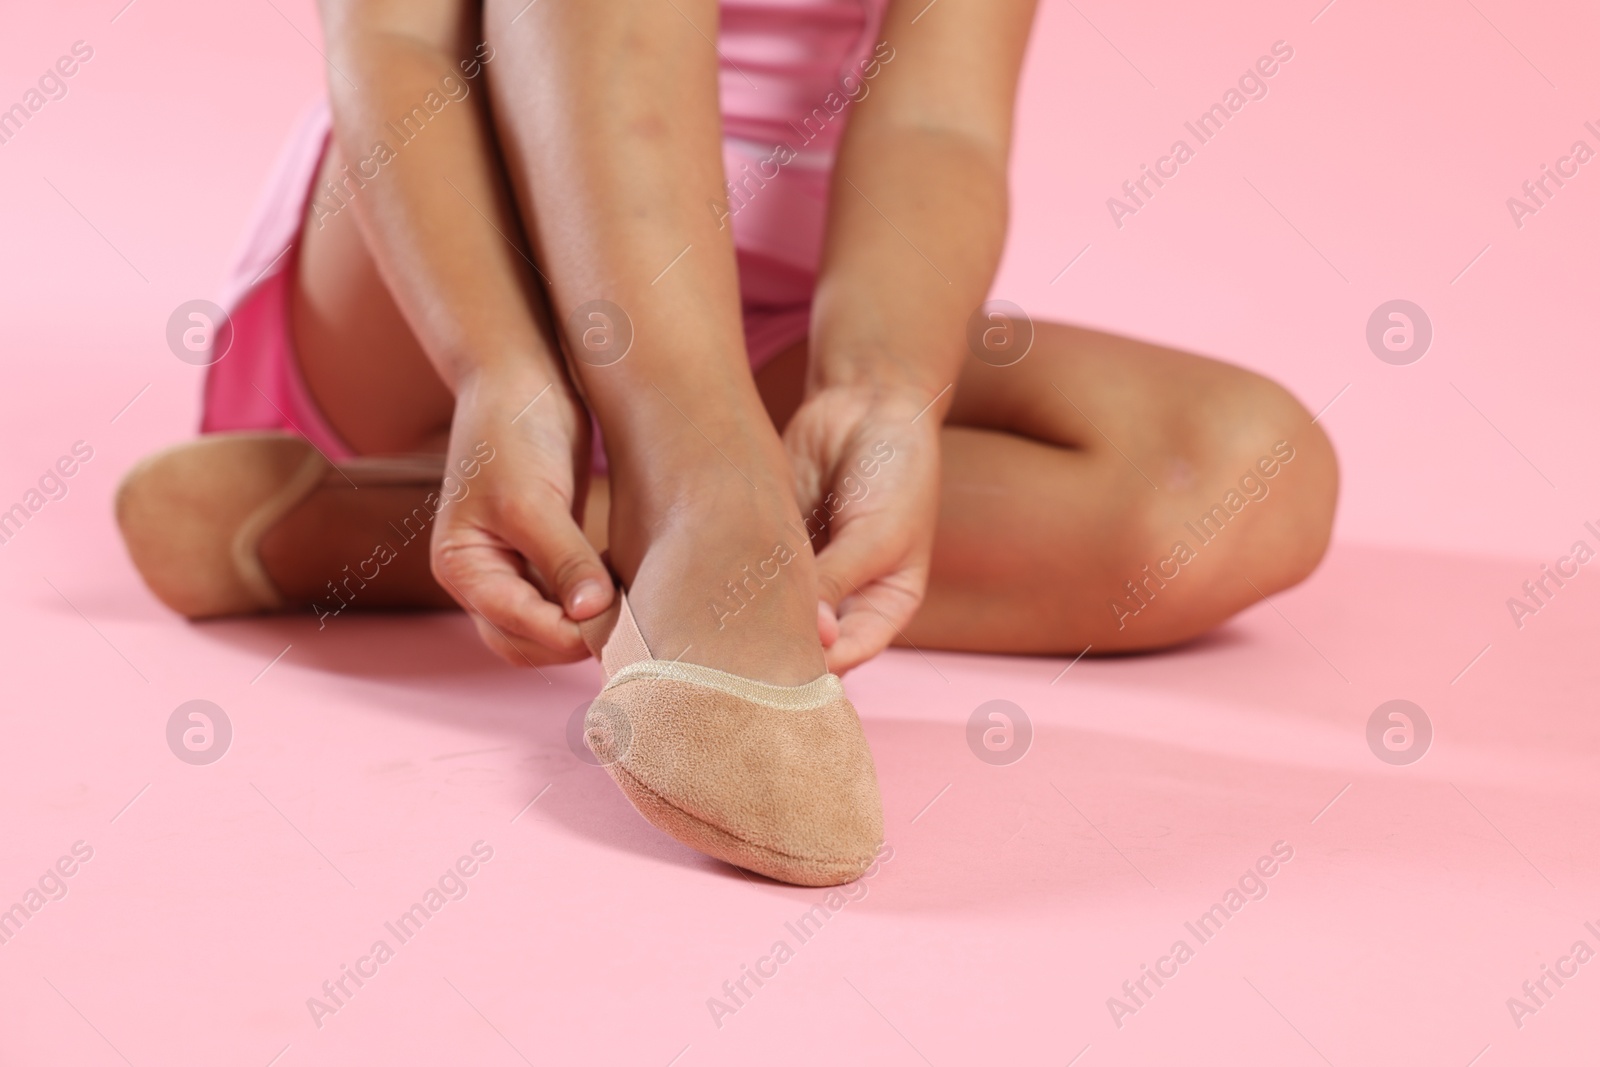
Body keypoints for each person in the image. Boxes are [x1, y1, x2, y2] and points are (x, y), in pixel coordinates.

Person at [116, 0, 1337, 885]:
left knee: (1240, 471)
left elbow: (940, 127)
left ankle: (426, 528)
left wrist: (877, 388)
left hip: (764, 319)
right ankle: (694, 487)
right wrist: (500, 370)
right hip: (450, 295)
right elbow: (388, 43)